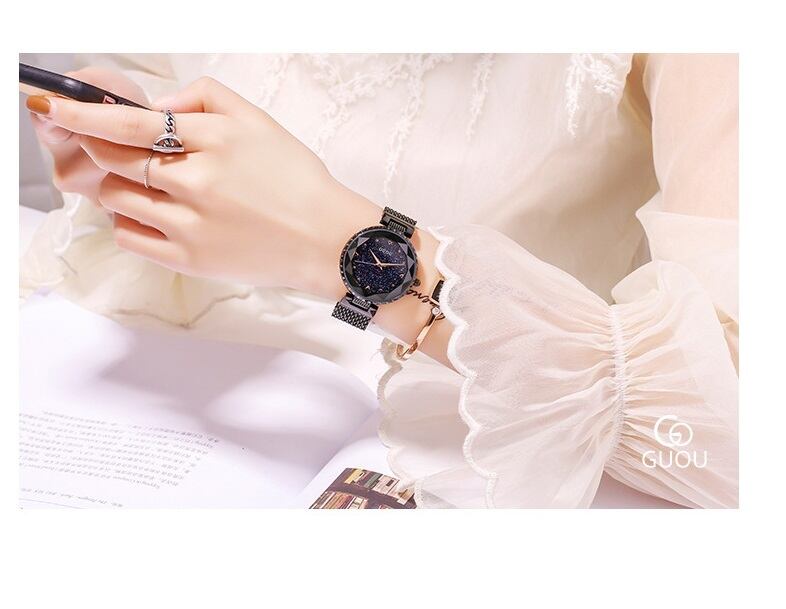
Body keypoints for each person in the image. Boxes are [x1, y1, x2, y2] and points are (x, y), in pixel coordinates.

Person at [22, 53, 738, 508]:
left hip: (486, 432)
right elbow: (169, 80)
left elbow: (735, 408)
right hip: (143, 385)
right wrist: (132, 138)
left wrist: (334, 240)